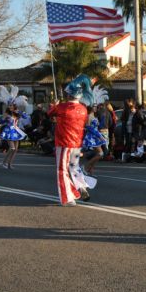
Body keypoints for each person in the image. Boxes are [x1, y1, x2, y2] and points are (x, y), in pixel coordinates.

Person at [47, 75, 91, 206]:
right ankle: (81, 187)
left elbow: (49, 114)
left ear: (69, 94)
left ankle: (68, 198)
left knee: (62, 170)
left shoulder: (62, 107)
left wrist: (54, 105)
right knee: (74, 167)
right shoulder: (83, 109)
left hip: (63, 142)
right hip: (77, 144)